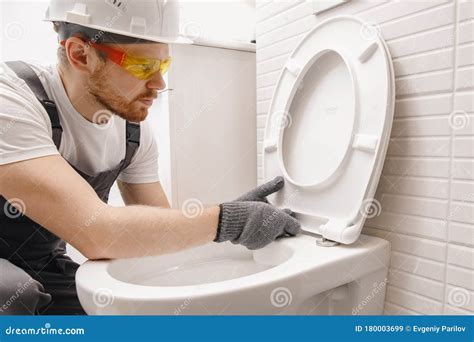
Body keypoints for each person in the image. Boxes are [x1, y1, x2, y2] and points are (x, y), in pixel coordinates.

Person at [0, 0, 301, 315]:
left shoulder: (134, 134)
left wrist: (230, 217)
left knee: (116, 317)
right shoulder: (12, 100)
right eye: (142, 67)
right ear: (80, 54)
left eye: (164, 66)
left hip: (41, 264)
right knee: (12, 292)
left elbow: (159, 235)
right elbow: (97, 233)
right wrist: (227, 220)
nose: (160, 84)